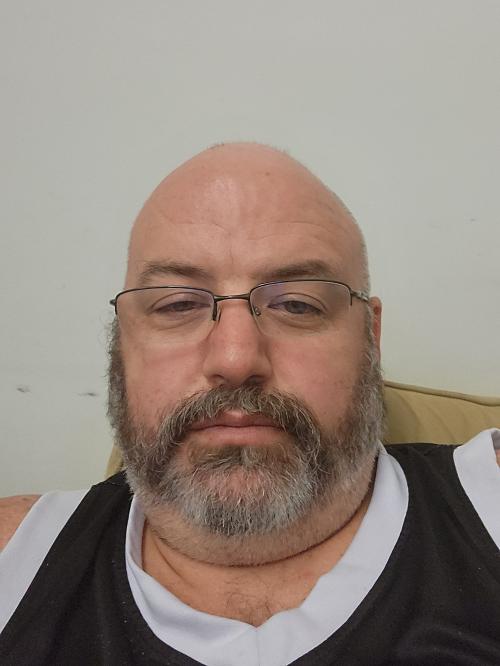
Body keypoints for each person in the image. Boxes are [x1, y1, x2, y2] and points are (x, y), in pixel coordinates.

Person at [0, 143, 499, 665]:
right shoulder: (17, 554)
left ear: (370, 338)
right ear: (122, 343)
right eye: (177, 303)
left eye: (297, 305)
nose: (236, 358)